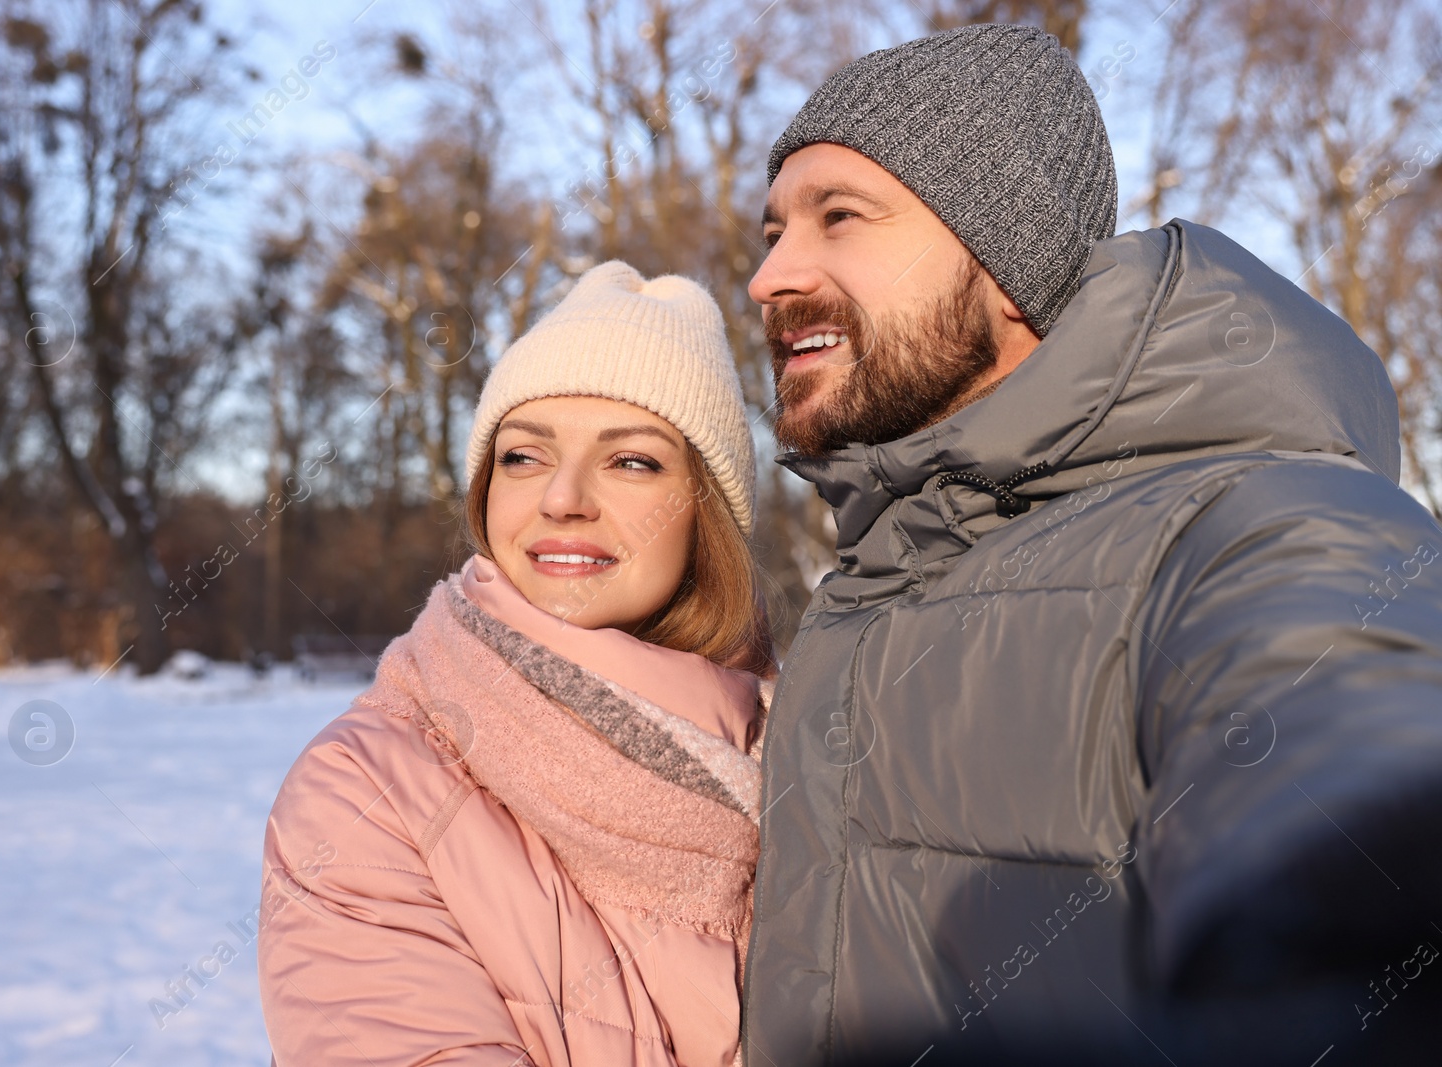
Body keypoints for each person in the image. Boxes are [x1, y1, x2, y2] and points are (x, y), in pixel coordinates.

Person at [740, 22, 1442, 1066]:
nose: (769, 276)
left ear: (1008, 261)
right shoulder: (876, 575)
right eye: (771, 231)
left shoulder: (1250, 524)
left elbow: (1348, 737)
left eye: (839, 215)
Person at [257, 261, 775, 1067]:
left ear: (704, 508)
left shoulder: (818, 756)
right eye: (523, 457)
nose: (562, 497)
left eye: (631, 460)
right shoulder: (364, 793)